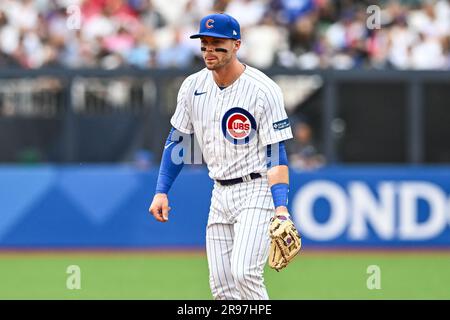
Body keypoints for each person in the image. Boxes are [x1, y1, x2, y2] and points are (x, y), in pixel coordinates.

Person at [148, 13, 294, 300]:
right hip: (219, 192)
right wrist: (161, 191)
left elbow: (276, 153)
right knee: (222, 288)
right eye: (205, 44)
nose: (209, 50)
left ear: (237, 44)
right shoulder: (192, 86)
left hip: (256, 190)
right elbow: (178, 141)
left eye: (217, 44)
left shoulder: (263, 89)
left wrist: (281, 208)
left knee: (244, 273)